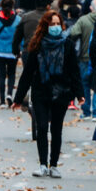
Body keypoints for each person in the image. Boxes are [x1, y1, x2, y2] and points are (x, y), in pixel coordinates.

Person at [13, 10, 83, 179]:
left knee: (57, 129)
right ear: (45, 26)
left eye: (58, 24)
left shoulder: (67, 45)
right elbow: (28, 73)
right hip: (41, 91)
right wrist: (18, 98)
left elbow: (74, 71)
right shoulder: (36, 45)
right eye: (52, 24)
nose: (55, 27)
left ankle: (54, 165)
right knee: (42, 127)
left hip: (62, 91)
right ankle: (43, 164)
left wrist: (79, 93)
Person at [68, 0, 96, 121]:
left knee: (84, 83)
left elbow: (73, 33)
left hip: (85, 56)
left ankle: (86, 111)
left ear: (91, 8)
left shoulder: (83, 20)